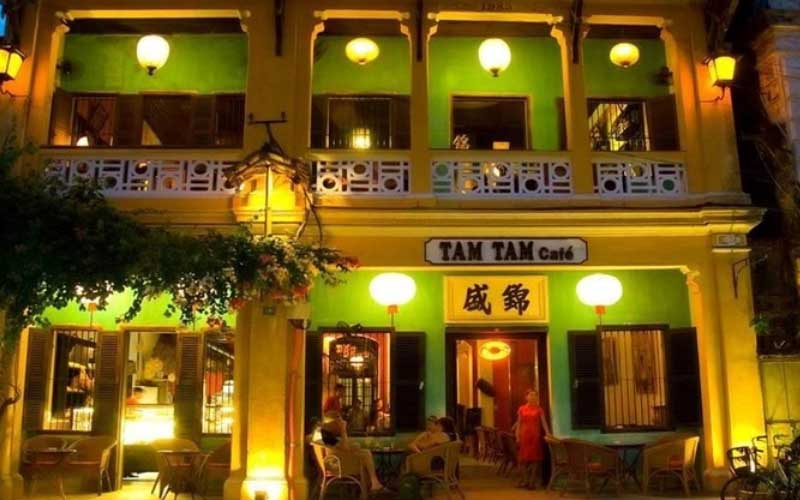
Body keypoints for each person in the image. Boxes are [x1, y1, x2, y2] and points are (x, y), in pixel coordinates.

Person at [320, 423, 384, 492]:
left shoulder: (326, 437)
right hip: (339, 466)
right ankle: (373, 484)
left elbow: (342, 448)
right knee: (365, 457)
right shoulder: (328, 437)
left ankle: (372, 485)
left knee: (365, 453)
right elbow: (345, 448)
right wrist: (343, 431)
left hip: (336, 463)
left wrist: (354, 447)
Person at [514, 389, 551, 489]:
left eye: (535, 395)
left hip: (535, 437)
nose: (533, 397)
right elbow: (519, 423)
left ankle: (532, 482)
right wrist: (517, 436)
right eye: (530, 395)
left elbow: (544, 422)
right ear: (526, 397)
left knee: (535, 460)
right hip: (524, 436)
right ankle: (525, 480)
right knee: (523, 460)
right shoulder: (521, 409)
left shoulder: (539, 409)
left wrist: (548, 433)